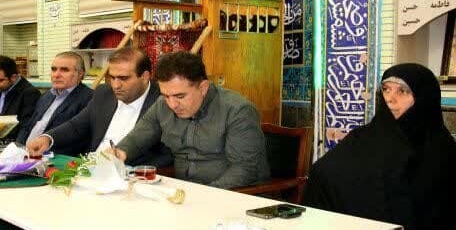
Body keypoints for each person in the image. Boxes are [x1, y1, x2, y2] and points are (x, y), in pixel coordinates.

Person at [301, 63, 456, 230]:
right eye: (386, 89)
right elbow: (324, 172)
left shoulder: (438, 149)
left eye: (402, 91)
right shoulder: (365, 136)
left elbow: (431, 209)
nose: (391, 99)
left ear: (423, 97)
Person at [108, 51, 269, 189]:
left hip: (236, 195)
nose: (172, 104)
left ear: (203, 88)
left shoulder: (237, 111)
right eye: (166, 96)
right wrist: (120, 152)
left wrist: (204, 196)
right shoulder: (162, 105)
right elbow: (138, 137)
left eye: (180, 96)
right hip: (184, 193)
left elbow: (244, 169)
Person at [26, 48, 172, 167]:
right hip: (90, 169)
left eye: (123, 78)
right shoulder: (104, 93)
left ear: (145, 77)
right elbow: (77, 125)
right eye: (112, 77)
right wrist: (48, 138)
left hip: (133, 175)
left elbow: (167, 154)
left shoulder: (166, 100)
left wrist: (135, 172)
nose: (116, 85)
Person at [16, 52, 93, 151]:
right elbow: (28, 126)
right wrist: (17, 147)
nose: (56, 75)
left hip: (52, 155)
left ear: (80, 74)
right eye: (54, 69)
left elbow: (77, 136)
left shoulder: (89, 98)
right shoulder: (46, 96)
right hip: (24, 153)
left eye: (64, 70)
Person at [0, 55, 40, 142]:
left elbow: (26, 127)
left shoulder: (29, 93)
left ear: (14, 77)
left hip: (10, 144)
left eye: (0, 80)